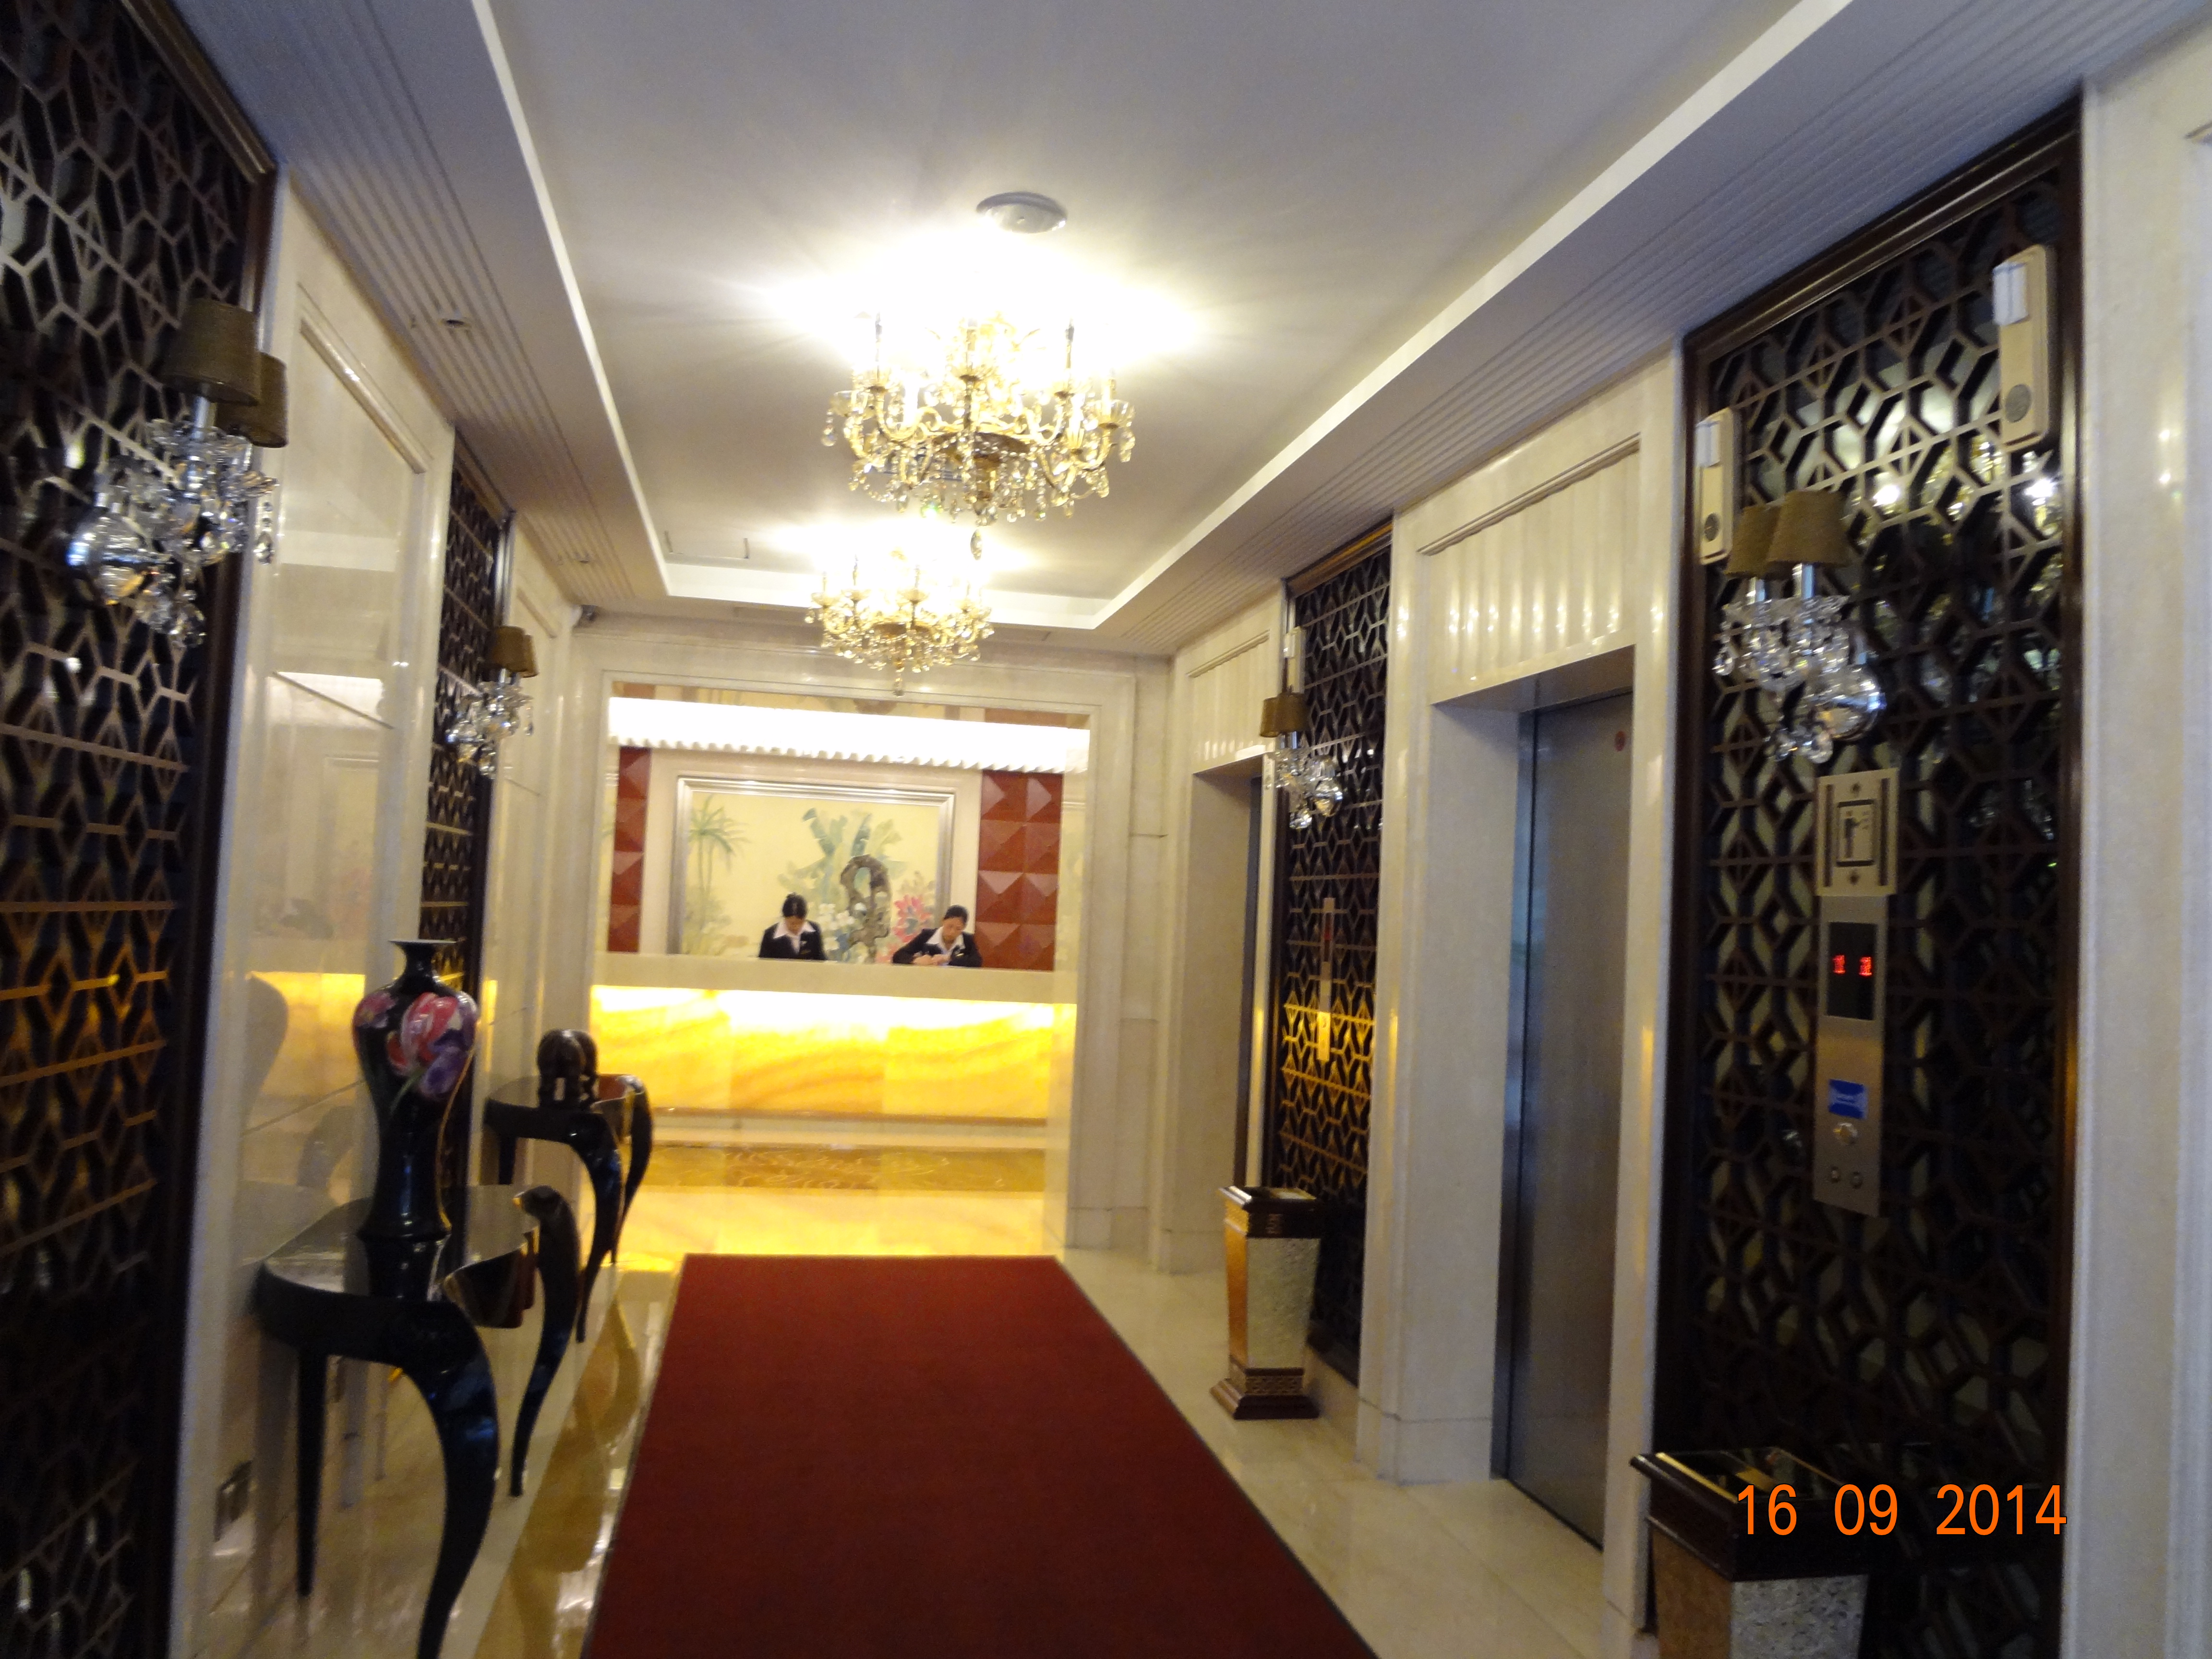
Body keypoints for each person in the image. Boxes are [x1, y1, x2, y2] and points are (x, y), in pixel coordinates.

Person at [891, 904, 984, 967]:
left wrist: (949, 959)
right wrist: (915, 960)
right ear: (943, 921)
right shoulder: (927, 936)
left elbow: (977, 962)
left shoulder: (967, 940)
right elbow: (898, 956)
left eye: (958, 929)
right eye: (950, 926)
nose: (952, 932)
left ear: (964, 927)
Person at [758, 894, 826, 960]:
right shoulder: (770, 935)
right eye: (792, 923)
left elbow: (821, 959)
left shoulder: (814, 930)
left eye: (800, 923)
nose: (796, 927)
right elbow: (763, 964)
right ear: (785, 918)